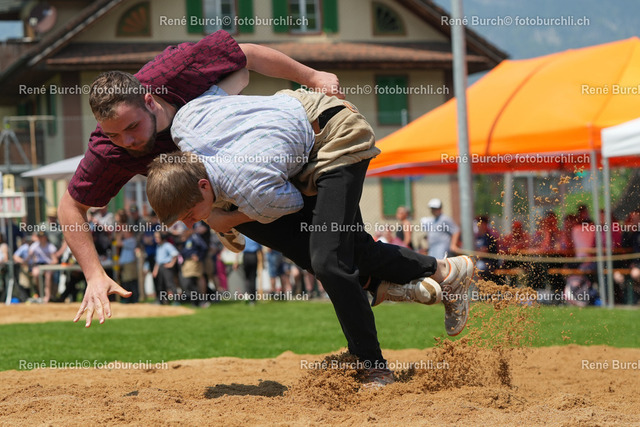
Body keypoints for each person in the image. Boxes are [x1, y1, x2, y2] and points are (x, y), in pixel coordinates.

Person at [145, 80, 475, 386]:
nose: (190, 225)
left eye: (189, 215)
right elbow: (234, 76)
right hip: (300, 139)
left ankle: (373, 365)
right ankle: (442, 272)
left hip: (336, 139)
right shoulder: (184, 123)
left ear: (204, 185)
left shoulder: (250, 185)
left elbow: (291, 204)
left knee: (330, 261)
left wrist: (227, 219)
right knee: (346, 250)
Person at [59, 30, 343, 326]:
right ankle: (363, 313)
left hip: (270, 148)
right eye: (113, 134)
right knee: (308, 252)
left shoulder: (176, 70)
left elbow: (248, 56)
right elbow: (70, 206)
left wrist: (313, 76)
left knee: (340, 246)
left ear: (149, 101)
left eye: (132, 127)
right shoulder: (108, 151)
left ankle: (368, 289)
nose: (126, 141)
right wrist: (94, 274)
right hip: (222, 194)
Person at [152, 231, 179, 304]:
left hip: (166, 267)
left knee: (170, 284)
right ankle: (162, 300)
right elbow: (158, 260)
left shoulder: (167, 245)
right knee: (160, 285)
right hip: (160, 267)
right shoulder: (158, 246)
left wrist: (171, 264)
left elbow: (175, 254)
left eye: (157, 237)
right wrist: (155, 270)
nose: (156, 239)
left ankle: (176, 301)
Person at [242, 236, 262, 304]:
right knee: (252, 278)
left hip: (245, 256)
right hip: (253, 256)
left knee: (246, 277)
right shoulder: (255, 236)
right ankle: (252, 299)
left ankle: (247, 295)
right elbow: (260, 247)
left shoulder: (244, 235)